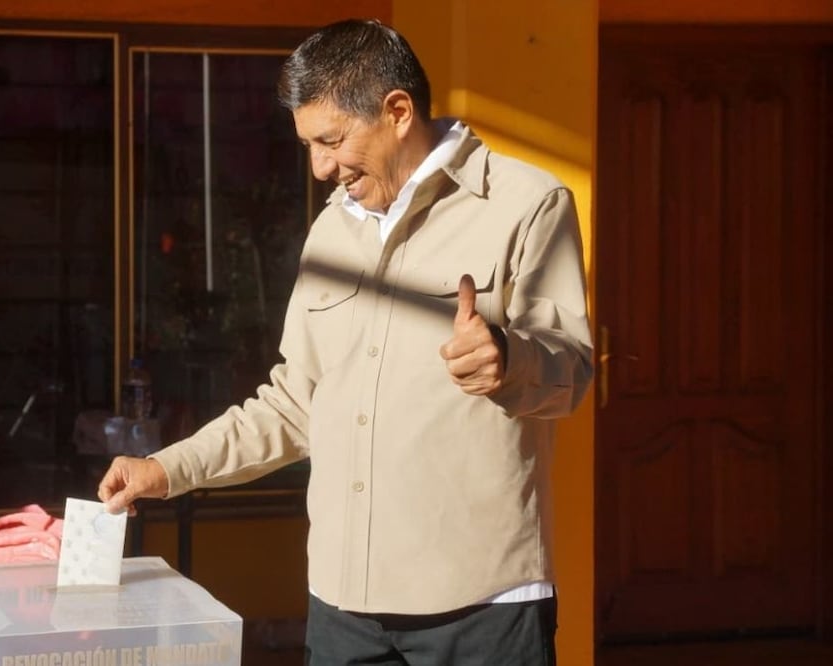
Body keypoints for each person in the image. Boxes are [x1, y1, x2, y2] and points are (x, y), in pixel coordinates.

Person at [98, 18, 593, 665]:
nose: (319, 166)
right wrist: (168, 469)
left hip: (481, 605)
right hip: (342, 604)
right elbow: (292, 403)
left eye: (330, 140)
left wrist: (508, 358)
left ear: (395, 111)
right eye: (307, 144)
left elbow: (572, 370)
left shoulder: (527, 203)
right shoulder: (331, 231)